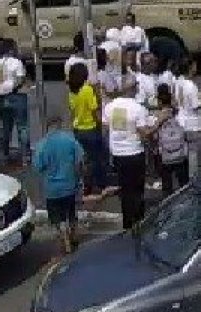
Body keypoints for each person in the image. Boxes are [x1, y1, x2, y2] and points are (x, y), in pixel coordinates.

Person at [102, 78, 153, 228]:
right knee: (137, 190)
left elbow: (105, 126)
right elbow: (145, 133)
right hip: (134, 152)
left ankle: (127, 222)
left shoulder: (110, 106)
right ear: (134, 88)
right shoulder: (138, 108)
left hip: (118, 153)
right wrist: (159, 121)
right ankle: (138, 221)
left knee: (125, 189)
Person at [33, 115, 85, 255]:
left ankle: (63, 234)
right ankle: (73, 234)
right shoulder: (70, 139)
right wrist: (79, 179)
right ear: (60, 124)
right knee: (71, 212)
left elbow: (38, 167)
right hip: (69, 185)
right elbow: (80, 161)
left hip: (51, 189)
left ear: (48, 127)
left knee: (56, 216)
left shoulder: (42, 144)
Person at [67, 62, 106, 195]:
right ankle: (98, 184)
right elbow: (94, 110)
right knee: (97, 159)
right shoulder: (87, 90)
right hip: (90, 128)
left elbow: (72, 111)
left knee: (84, 159)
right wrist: (101, 124)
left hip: (78, 129)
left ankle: (85, 185)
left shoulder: (72, 92)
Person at [0, 40, 29, 164]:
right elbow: (20, 79)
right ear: (11, 50)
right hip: (16, 96)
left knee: (5, 126)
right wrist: (12, 87)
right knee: (22, 127)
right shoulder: (16, 62)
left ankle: (4, 153)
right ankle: (25, 156)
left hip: (1, 98)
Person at [152, 85, 189, 193]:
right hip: (180, 155)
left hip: (165, 156)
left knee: (167, 184)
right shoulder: (179, 114)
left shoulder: (156, 117)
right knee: (183, 182)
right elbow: (185, 131)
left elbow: (154, 137)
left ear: (159, 102)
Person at [173, 56, 201, 177]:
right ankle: (194, 181)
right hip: (193, 123)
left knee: (184, 154)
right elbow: (196, 105)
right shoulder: (191, 85)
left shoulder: (177, 82)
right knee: (193, 155)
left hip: (180, 121)